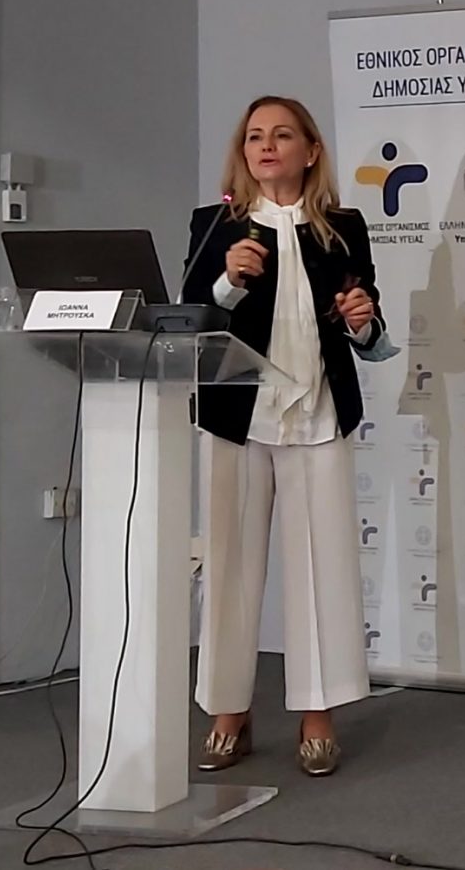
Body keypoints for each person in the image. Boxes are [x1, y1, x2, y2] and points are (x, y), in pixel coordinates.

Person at [182, 95, 390, 777]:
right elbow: (189, 318)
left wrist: (362, 319)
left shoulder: (343, 227)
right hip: (238, 416)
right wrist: (228, 281)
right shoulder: (215, 225)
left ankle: (317, 712)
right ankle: (228, 712)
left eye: (281, 135)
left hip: (319, 414)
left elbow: (369, 330)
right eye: (254, 137)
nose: (266, 146)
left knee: (321, 567)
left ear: (310, 150)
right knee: (230, 566)